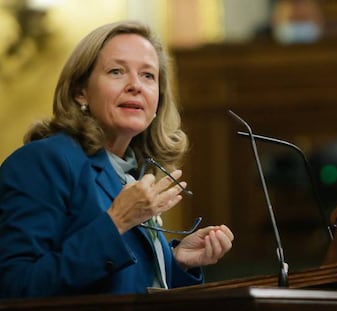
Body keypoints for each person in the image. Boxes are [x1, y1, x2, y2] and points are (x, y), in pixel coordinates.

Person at [0, 20, 234, 298]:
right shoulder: (43, 161)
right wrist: (117, 221)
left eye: (148, 75)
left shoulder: (129, 172)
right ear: (80, 92)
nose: (136, 85)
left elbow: (127, 284)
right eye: (116, 71)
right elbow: (15, 284)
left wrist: (175, 261)